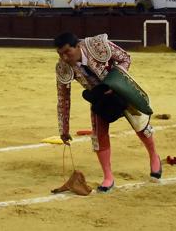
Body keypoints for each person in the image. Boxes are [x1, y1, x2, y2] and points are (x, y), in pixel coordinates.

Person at [54, 32, 161, 192]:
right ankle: (108, 177)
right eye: (60, 54)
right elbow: (63, 99)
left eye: (67, 52)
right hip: (99, 97)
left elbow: (125, 58)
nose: (64, 58)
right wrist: (64, 129)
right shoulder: (63, 67)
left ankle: (154, 156)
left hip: (120, 88)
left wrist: (114, 82)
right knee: (99, 135)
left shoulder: (97, 45)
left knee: (140, 124)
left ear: (77, 46)